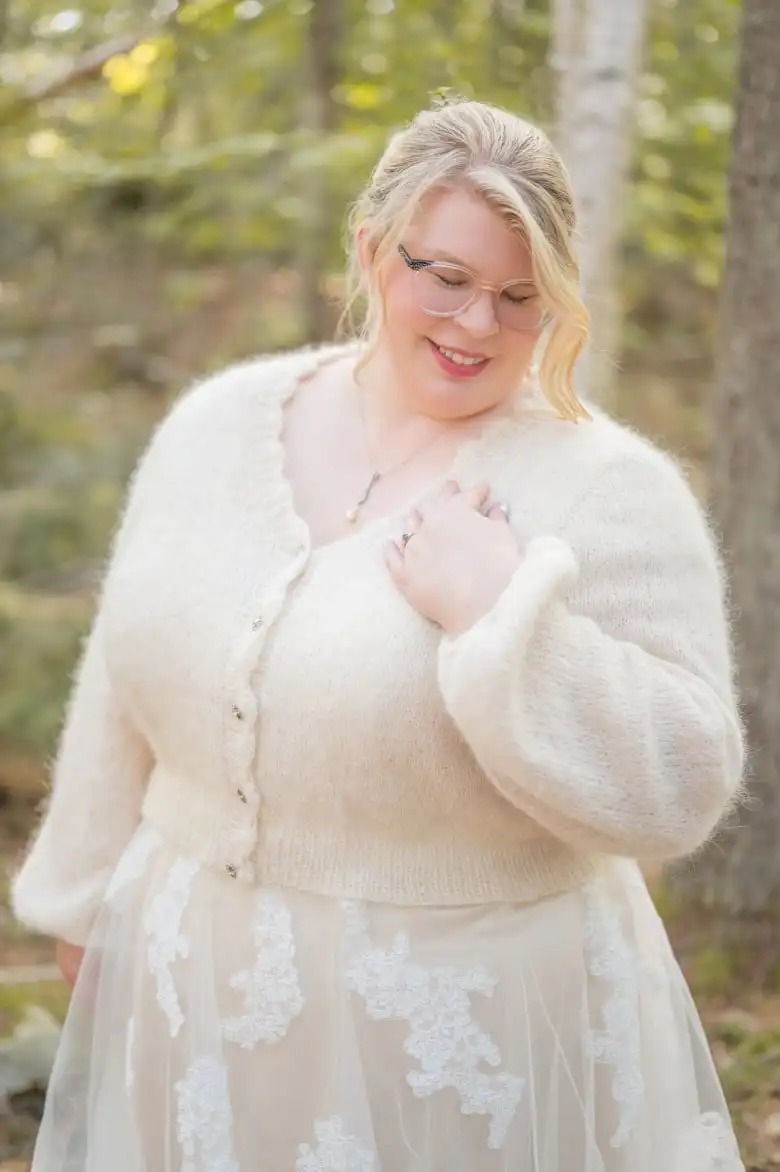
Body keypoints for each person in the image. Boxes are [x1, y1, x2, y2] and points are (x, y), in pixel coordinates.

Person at [12, 99, 746, 1172]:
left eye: (518, 296)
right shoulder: (219, 420)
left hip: (459, 1031)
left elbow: (684, 777)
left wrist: (502, 614)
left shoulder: (607, 489)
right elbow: (125, 667)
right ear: (371, 249)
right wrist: (81, 897)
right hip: (193, 995)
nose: (475, 325)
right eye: (444, 277)